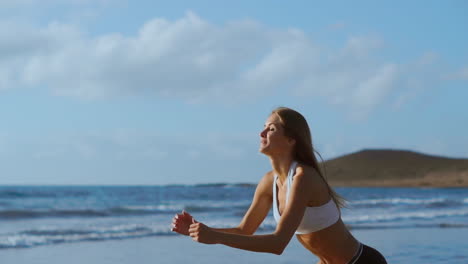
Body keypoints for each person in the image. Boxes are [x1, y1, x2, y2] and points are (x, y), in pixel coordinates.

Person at [171, 107, 387, 264]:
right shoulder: (268, 181)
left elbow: (277, 244)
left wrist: (216, 237)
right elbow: (244, 230)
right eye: (263, 127)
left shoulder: (303, 177)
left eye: (271, 128)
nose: (262, 133)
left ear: (291, 139)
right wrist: (198, 231)